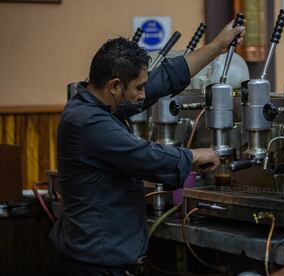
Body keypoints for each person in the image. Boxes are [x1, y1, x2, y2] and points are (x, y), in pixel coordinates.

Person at [50, 20, 245, 276]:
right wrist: (196, 155)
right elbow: (144, 155)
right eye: (138, 88)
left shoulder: (103, 102)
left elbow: (164, 78)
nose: (144, 96)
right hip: (93, 265)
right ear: (115, 85)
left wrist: (217, 47)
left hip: (104, 260)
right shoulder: (87, 121)